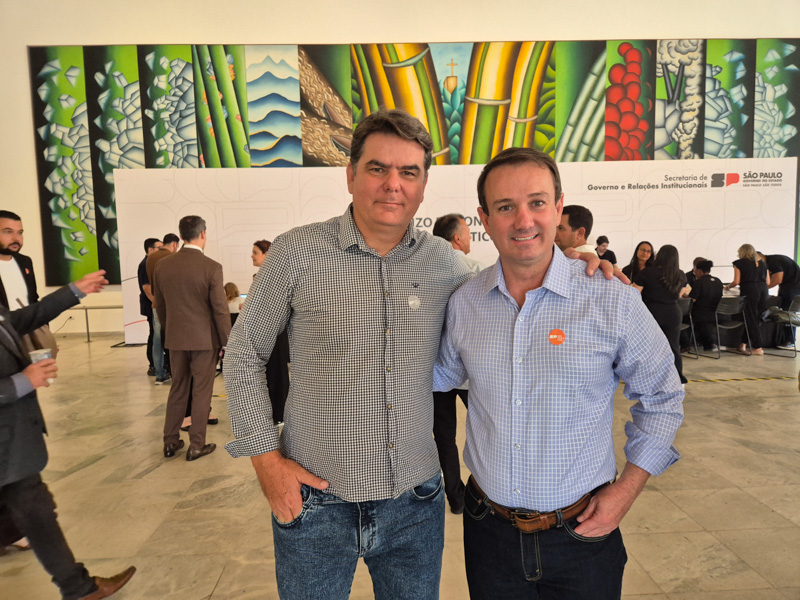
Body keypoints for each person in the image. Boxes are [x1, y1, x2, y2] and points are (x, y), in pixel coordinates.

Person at [224, 109, 614, 600]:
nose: (393, 184)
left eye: (408, 172)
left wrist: (574, 264)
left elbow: (516, 281)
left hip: (414, 505)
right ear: (350, 175)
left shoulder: (446, 264)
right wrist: (266, 462)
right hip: (314, 501)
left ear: (423, 185)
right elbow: (243, 354)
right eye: (377, 168)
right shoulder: (296, 253)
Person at [434, 147, 684, 600]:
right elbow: (436, 376)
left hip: (581, 534)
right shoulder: (465, 303)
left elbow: (662, 397)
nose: (523, 220)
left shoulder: (610, 298)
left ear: (558, 207)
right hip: (488, 533)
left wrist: (626, 492)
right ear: (484, 218)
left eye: (537, 202)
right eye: (505, 207)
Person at [0, 269, 137, 599]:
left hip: (11, 441)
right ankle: (78, 587)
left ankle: (78, 587)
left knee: (34, 510)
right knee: (35, 510)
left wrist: (73, 291)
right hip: (7, 442)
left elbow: (21, 319)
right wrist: (21, 382)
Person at [153, 216, 231, 461]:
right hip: (204, 341)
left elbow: (160, 305)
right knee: (201, 391)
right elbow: (220, 309)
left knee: (178, 388)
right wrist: (227, 341)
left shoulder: (163, 266)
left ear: (181, 235)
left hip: (176, 339)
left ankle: (170, 441)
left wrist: (170, 330)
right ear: (203, 233)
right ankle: (197, 444)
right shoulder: (211, 267)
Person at [431, 213, 484, 514]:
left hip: (434, 370)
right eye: (468, 233)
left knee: (444, 436)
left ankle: (457, 498)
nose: (470, 238)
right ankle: (487, 491)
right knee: (487, 428)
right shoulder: (474, 270)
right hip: (467, 368)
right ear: (457, 238)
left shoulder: (423, 268)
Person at [632, 244, 690, 384]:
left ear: (659, 256)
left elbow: (633, 294)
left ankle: (648, 378)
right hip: (673, 312)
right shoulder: (680, 274)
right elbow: (683, 292)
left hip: (651, 312)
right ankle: (678, 379)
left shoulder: (647, 272)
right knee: (673, 346)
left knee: (649, 347)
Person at [251, 239, 290, 425]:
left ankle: (279, 414)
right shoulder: (261, 277)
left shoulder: (274, 277)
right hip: (267, 333)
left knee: (276, 373)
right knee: (268, 373)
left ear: (266, 254)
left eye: (255, 252)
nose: (252, 256)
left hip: (275, 333)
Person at [146, 233, 180, 384]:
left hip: (156, 304)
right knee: (172, 338)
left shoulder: (150, 258)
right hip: (171, 305)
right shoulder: (172, 258)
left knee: (157, 338)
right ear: (174, 244)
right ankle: (175, 372)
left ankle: (159, 373)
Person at [725, 244, 769, 355]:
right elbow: (768, 281)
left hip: (750, 290)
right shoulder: (763, 263)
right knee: (754, 318)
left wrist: (727, 287)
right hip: (764, 290)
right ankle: (743, 344)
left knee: (750, 318)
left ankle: (758, 347)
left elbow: (736, 281)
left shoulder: (739, 263)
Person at [0, 210, 38, 309]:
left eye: (20, 233)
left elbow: (33, 299)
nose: (16, 238)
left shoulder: (25, 262)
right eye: (8, 232)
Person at [763, 252, 800, 348]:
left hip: (792, 289)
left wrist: (764, 289)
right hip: (791, 287)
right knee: (786, 312)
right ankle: (785, 339)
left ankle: (789, 340)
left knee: (787, 314)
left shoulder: (773, 262)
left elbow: (778, 279)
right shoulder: (774, 260)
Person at [137, 237, 163, 376]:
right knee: (154, 334)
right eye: (159, 248)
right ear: (150, 249)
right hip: (151, 306)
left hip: (154, 305)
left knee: (156, 334)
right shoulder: (145, 264)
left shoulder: (153, 263)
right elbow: (147, 288)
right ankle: (153, 365)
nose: (162, 251)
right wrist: (157, 305)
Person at [685, 259, 723, 351]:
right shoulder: (718, 281)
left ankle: (686, 344)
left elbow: (692, 300)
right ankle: (709, 343)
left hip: (699, 315)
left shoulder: (699, 282)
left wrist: (684, 295)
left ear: (699, 271)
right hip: (715, 314)